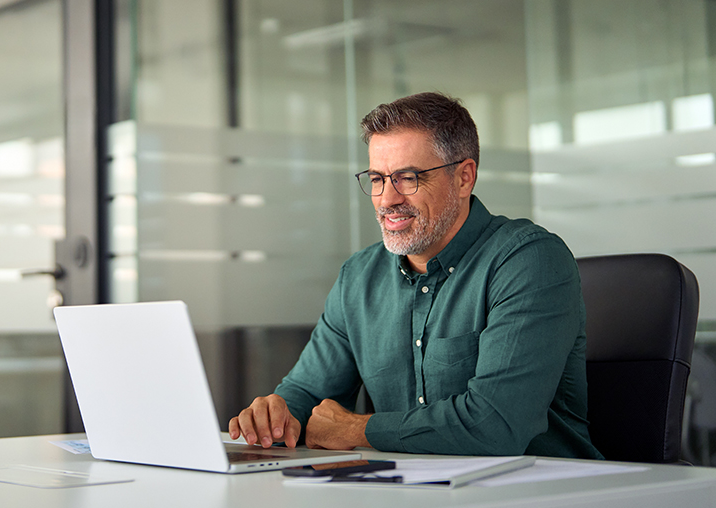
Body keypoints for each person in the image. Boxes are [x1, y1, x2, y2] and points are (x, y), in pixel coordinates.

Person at [228, 92, 603, 459]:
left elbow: (495, 425)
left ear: (464, 178)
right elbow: (307, 399)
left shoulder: (528, 260)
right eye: (377, 179)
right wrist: (275, 417)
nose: (387, 198)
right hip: (410, 491)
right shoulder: (359, 277)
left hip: (539, 491)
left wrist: (358, 430)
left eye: (407, 177)